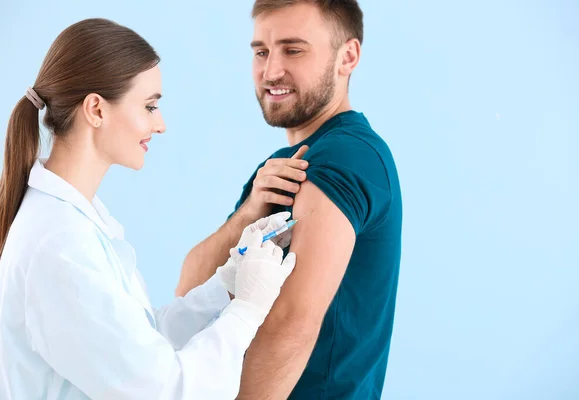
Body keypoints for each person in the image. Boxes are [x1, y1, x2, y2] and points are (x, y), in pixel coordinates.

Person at [0, 18, 296, 400]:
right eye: (150, 106)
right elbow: (167, 390)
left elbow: (142, 341)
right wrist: (248, 310)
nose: (161, 125)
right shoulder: (59, 245)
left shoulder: (74, 221)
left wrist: (227, 285)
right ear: (96, 109)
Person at [177, 1, 403, 398]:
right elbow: (188, 299)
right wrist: (247, 213)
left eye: (293, 49)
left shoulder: (346, 154)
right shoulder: (279, 168)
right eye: (261, 51)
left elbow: (291, 325)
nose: (271, 71)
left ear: (346, 57)